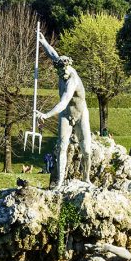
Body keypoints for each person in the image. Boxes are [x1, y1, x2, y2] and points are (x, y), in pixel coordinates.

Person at [36, 35, 93, 187]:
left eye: (64, 72)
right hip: (66, 115)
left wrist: (46, 115)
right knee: (62, 146)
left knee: (86, 150)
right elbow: (53, 54)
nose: (62, 75)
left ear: (69, 67)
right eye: (60, 73)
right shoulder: (60, 67)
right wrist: (43, 41)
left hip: (80, 114)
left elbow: (63, 102)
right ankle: (60, 181)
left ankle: (86, 178)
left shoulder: (72, 80)